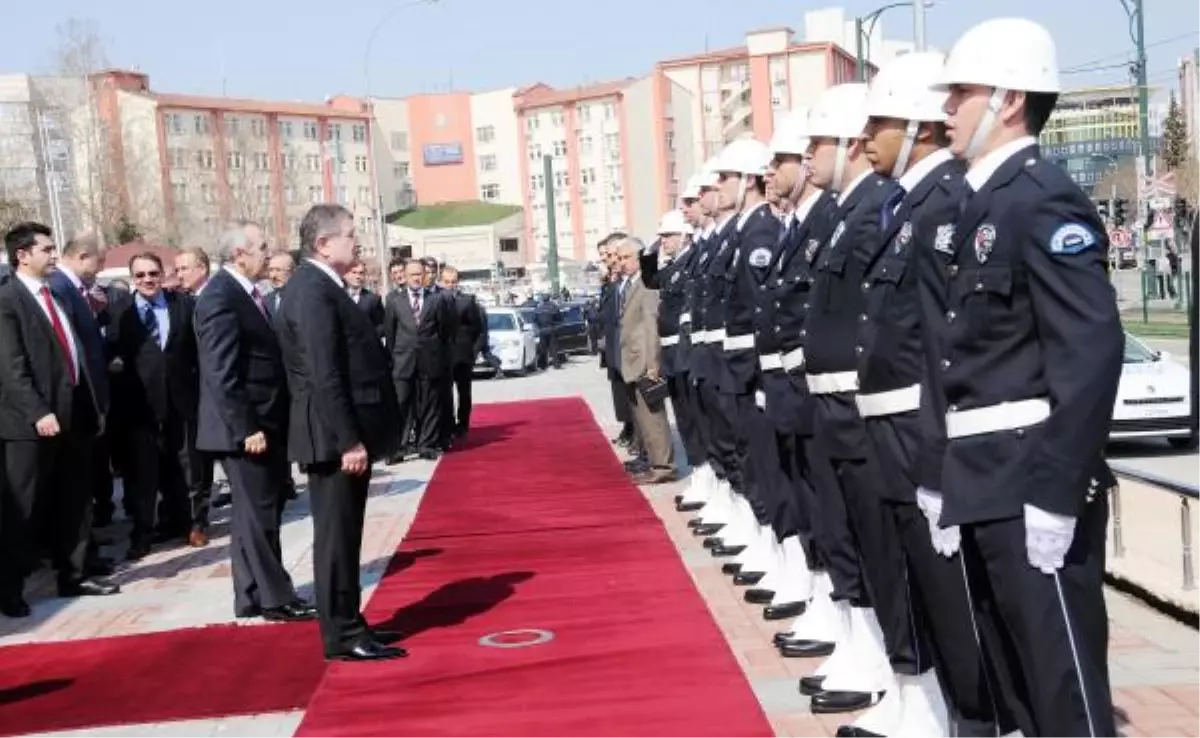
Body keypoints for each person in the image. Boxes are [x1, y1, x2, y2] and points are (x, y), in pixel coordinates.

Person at [927, 19, 1122, 737]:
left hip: (1027, 479)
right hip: (984, 478)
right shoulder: (982, 203)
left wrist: (1057, 490)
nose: (947, 110)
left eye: (961, 94)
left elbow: (1090, 348)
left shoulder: (1041, 198)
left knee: (1063, 694)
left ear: (1009, 100)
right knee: (1018, 699)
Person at [850, 51, 1009, 737]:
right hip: (900, 425)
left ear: (912, 127)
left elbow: (948, 335)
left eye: (878, 124)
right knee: (920, 586)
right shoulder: (910, 204)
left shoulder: (944, 201)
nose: (866, 141)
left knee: (954, 600)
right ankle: (946, 715)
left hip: (925, 426)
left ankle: (975, 720)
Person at [275, 203, 404, 662]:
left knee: (346, 535)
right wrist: (348, 439)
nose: (358, 241)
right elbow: (324, 372)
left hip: (339, 433)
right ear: (323, 244)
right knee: (336, 536)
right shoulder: (311, 290)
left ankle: (352, 622)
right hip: (332, 439)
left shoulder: (322, 285)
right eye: (350, 235)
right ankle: (342, 633)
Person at [193, 220, 314, 622]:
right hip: (245, 429)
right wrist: (247, 428)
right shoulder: (220, 297)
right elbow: (222, 373)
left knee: (254, 514)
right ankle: (276, 598)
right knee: (261, 514)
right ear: (239, 254)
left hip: (263, 423)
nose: (269, 253)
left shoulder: (246, 292)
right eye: (262, 247)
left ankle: (249, 594)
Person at [0, 222, 118, 620]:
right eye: (46, 249)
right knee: (25, 508)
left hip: (74, 416)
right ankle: (9, 588)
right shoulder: (8, 300)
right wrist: (38, 412)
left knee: (75, 501)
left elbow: (75, 354)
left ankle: (75, 573)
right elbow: (11, 369)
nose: (54, 255)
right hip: (28, 426)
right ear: (23, 255)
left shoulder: (58, 295)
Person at [107, 252, 206, 557]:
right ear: (132, 278)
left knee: (190, 467)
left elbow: (196, 350)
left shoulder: (183, 305)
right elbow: (110, 353)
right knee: (143, 475)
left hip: (181, 401)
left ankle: (194, 524)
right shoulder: (118, 311)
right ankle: (142, 533)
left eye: (153, 274)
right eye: (140, 276)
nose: (148, 280)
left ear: (163, 275)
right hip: (140, 408)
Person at [614, 237, 675, 484]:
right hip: (631, 360)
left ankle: (664, 467)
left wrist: (653, 363)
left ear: (640, 256)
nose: (621, 262)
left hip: (643, 361)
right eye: (619, 258)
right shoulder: (631, 283)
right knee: (642, 419)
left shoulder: (648, 282)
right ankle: (653, 461)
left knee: (653, 417)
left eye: (625, 257)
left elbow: (651, 325)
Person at [383, 258, 454, 461]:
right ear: (404, 276)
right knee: (401, 405)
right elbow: (390, 333)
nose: (416, 278)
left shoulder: (436, 300)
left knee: (429, 405)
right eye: (412, 274)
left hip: (429, 360)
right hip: (403, 361)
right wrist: (395, 357)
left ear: (424, 276)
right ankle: (399, 447)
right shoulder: (393, 301)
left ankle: (426, 444)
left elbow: (444, 331)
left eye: (419, 274)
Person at [440, 266, 485, 439]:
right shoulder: (437, 299)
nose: (451, 285)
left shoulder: (467, 301)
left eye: (453, 282)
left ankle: (463, 424)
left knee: (464, 392)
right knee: (445, 393)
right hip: (444, 355)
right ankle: (448, 424)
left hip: (463, 355)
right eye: (447, 282)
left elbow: (477, 329)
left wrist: (473, 352)